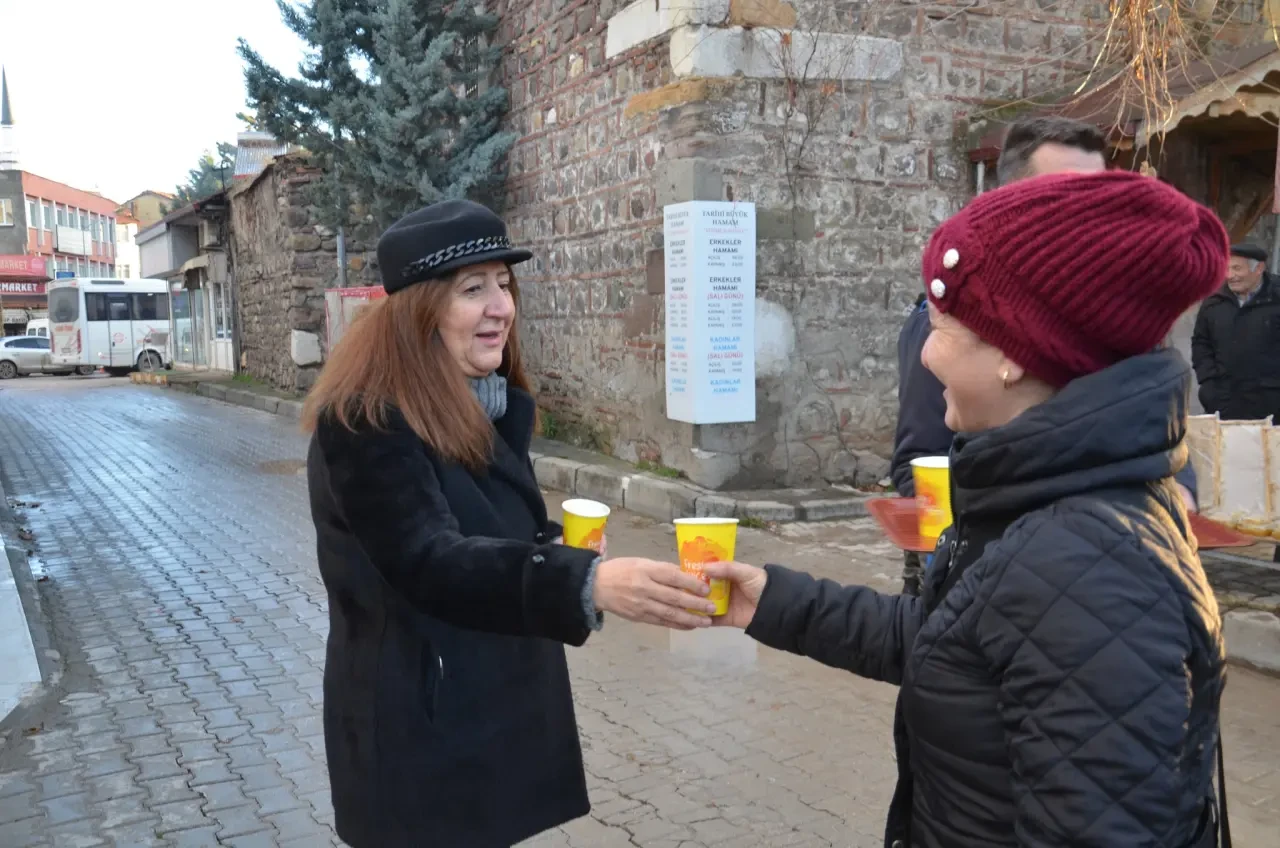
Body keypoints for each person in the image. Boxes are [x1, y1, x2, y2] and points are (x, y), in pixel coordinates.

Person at [705, 171, 1229, 848]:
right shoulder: (1050, 509)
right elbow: (956, 643)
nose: (924, 352)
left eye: (943, 325)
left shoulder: (1087, 564)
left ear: (1014, 354)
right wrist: (774, 601)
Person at [302, 199, 717, 848]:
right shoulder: (367, 421)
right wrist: (584, 583)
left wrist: (555, 548)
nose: (502, 306)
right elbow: (428, 560)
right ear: (419, 313)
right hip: (421, 722)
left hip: (485, 710)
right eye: (474, 289)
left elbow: (480, 529)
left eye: (503, 282)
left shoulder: (482, 400)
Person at [889, 115, 1198, 596]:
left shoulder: (1116, 323)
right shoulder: (958, 321)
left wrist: (1181, 485)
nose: (1087, 211)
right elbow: (918, 459)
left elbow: (1146, 422)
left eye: (1097, 192)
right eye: (1062, 193)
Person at [1192, 242, 1280, 422]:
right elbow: (1201, 343)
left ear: (1259, 268)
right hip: (1223, 404)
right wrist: (1208, 384)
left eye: (1237, 268)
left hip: (1272, 407)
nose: (1230, 276)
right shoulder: (1214, 301)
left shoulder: (1276, 297)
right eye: (1226, 269)